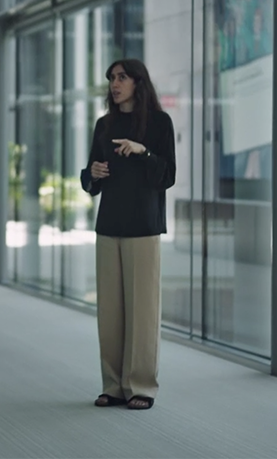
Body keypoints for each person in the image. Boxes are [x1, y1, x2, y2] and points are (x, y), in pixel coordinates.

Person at [80, 58, 176, 411]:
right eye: (111, 79)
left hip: (143, 227)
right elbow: (90, 181)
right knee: (110, 312)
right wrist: (93, 173)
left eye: (121, 78)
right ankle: (113, 385)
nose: (114, 84)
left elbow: (167, 175)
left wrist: (143, 151)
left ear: (139, 82)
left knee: (142, 311)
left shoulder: (159, 123)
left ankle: (141, 386)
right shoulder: (104, 125)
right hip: (109, 225)